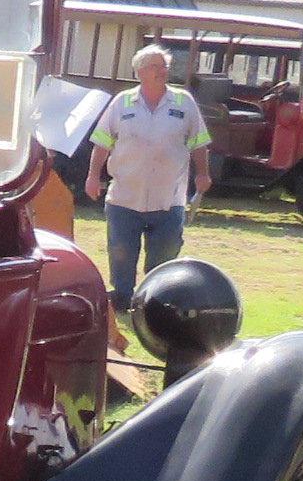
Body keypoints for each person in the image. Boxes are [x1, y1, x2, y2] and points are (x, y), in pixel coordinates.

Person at [83, 44, 212, 311]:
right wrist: (93, 176)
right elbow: (102, 144)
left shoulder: (183, 102)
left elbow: (199, 143)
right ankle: (121, 300)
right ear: (140, 71)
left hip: (169, 199)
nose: (163, 71)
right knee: (121, 255)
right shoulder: (122, 103)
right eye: (155, 66)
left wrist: (203, 173)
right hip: (124, 198)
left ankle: (155, 304)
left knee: (164, 257)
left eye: (164, 66)